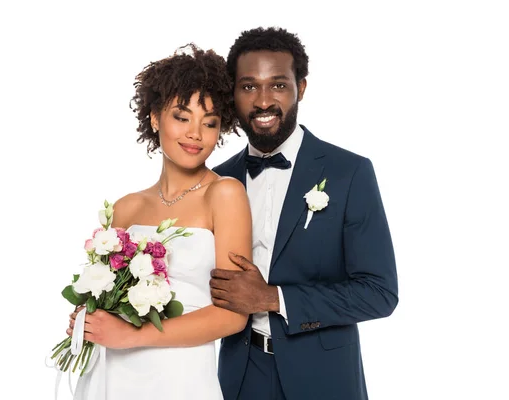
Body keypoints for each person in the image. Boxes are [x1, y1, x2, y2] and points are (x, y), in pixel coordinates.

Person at [210, 27, 399, 400]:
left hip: (324, 379)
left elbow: (379, 292)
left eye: (278, 85)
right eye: (249, 87)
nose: (263, 101)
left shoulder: (349, 172)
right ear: (232, 93)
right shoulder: (217, 179)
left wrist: (273, 298)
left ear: (301, 88)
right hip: (239, 378)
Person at [66, 44, 251, 400]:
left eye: (209, 123)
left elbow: (232, 318)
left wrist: (131, 335)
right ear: (154, 117)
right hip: (110, 374)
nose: (195, 133)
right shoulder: (126, 207)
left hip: (179, 378)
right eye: (182, 117)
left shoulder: (225, 194)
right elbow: (102, 293)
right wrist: (86, 318)